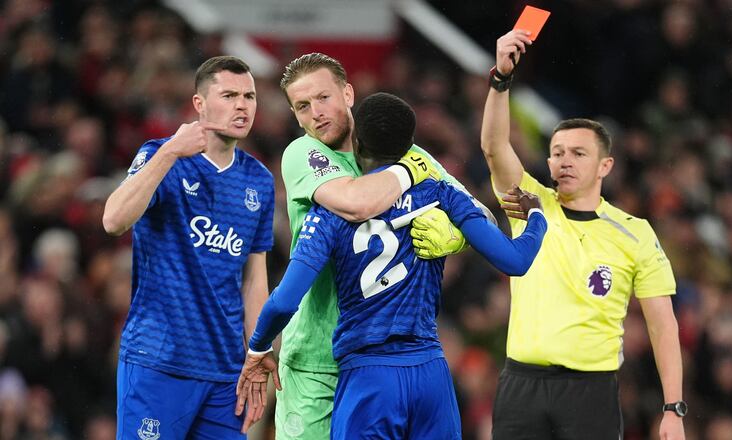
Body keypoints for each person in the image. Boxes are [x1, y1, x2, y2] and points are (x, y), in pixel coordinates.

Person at [236, 92, 548, 439]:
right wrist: (536, 216)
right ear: (410, 145)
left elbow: (283, 301)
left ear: (356, 141)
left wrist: (258, 347)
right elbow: (515, 261)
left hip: (369, 378)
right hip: (430, 375)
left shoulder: (330, 212)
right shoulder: (440, 193)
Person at [237, 53, 472, 438]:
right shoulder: (303, 154)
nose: (316, 113)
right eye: (302, 106)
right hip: (316, 362)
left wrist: (456, 235)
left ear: (348, 93)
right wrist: (412, 169)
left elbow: (483, 215)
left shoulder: (399, 151)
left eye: (323, 98)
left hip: (380, 361)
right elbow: (358, 202)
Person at [472, 29, 686, 439]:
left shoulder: (635, 233)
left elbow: (663, 325)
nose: (564, 161)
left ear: (605, 166)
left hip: (591, 392)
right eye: (556, 153)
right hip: (521, 386)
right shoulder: (530, 205)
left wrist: (673, 408)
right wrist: (500, 80)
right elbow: (493, 147)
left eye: (578, 153)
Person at [102, 56, 275, 438]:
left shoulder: (259, 181)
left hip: (225, 371)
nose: (242, 105)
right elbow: (113, 220)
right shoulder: (161, 156)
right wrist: (169, 153)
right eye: (229, 95)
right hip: (159, 361)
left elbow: (253, 279)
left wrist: (258, 350)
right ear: (199, 104)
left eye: (249, 96)